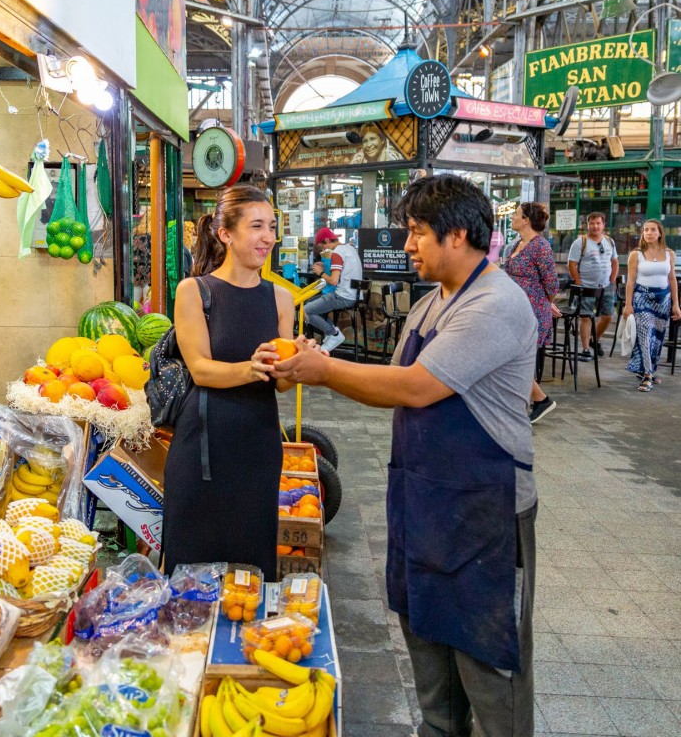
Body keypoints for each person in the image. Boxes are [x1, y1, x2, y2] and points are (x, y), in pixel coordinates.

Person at [271, 174, 539, 736]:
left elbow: (416, 387)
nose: (407, 245)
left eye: (416, 232)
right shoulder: (430, 305)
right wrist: (317, 356)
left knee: (489, 671)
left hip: (484, 515)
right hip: (423, 506)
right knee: (431, 669)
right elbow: (389, 380)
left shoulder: (495, 304)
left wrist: (322, 373)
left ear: (458, 233)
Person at [161, 184, 296, 582]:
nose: (267, 237)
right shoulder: (195, 292)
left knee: (252, 571)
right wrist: (252, 368)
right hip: (201, 447)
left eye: (272, 227)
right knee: (188, 569)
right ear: (226, 234)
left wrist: (299, 362)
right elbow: (201, 369)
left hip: (258, 447)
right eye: (256, 227)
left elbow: (282, 385)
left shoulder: (281, 299)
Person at [506, 202, 560, 424]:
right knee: (510, 358)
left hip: (531, 312)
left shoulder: (541, 247)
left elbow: (552, 284)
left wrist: (544, 304)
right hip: (512, 309)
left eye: (517, 214)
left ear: (526, 220)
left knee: (512, 359)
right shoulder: (516, 244)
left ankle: (540, 400)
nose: (513, 217)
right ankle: (533, 401)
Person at [623, 219, 681, 391]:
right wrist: (628, 304)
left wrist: (676, 304)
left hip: (663, 299)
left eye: (652, 230)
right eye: (646, 230)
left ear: (660, 233)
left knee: (657, 339)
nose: (648, 233)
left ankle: (649, 369)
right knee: (645, 335)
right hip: (642, 297)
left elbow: (672, 279)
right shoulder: (636, 254)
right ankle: (647, 376)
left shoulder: (669, 253)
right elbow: (630, 281)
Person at [567, 212, 618, 360]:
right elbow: (572, 264)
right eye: (592, 223)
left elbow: (614, 261)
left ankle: (594, 340)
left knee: (608, 316)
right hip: (586, 286)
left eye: (598, 223)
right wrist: (578, 283)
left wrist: (613, 279)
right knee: (586, 317)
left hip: (606, 286)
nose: (595, 226)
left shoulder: (610, 241)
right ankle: (585, 349)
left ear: (603, 225)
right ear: (587, 225)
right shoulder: (580, 243)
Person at [304, 226, 363, 352]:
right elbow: (344, 272)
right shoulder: (350, 248)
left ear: (326, 241)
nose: (323, 250)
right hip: (354, 295)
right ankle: (331, 334)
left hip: (343, 296)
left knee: (306, 310)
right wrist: (325, 265)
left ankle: (334, 334)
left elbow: (333, 280)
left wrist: (320, 272)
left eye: (322, 247)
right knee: (311, 303)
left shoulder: (337, 253)